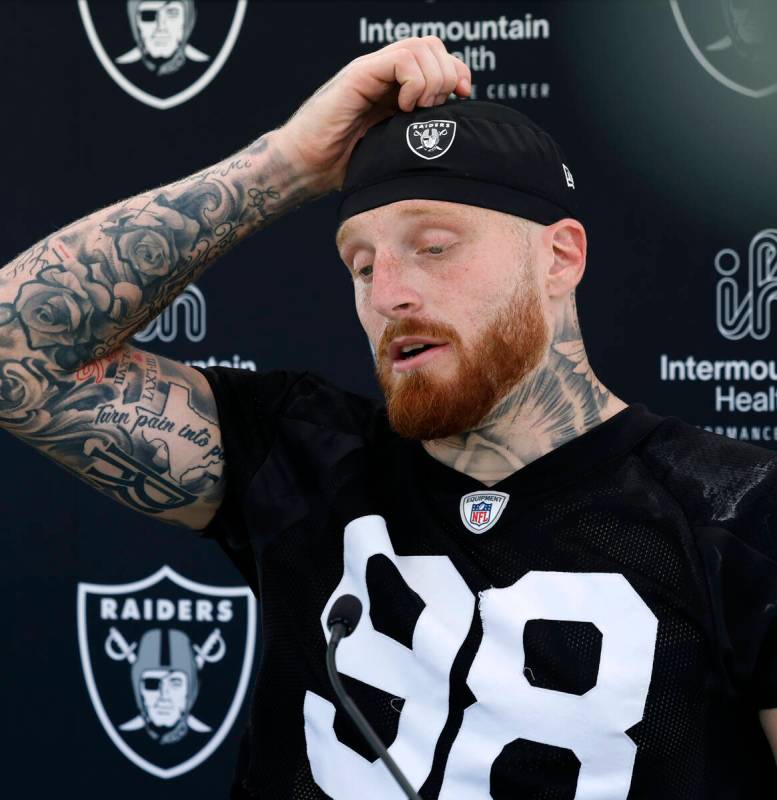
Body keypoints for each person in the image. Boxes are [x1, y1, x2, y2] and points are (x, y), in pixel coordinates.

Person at [2, 36, 777, 798]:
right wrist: (288, 165)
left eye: (434, 247)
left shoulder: (737, 507)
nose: (386, 295)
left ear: (560, 258)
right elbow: (18, 355)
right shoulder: (302, 459)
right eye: (361, 265)